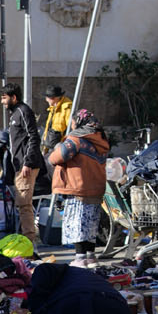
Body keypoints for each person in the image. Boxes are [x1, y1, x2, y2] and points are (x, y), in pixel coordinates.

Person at [48, 109, 110, 265]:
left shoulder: (76, 140)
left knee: (78, 224)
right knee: (90, 225)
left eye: (73, 121)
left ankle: (80, 259)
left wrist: (55, 145)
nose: (72, 124)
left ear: (79, 121)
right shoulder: (101, 140)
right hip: (95, 190)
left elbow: (56, 158)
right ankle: (91, 257)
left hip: (77, 189)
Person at [1, 82, 44, 242]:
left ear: (14, 97)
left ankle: (29, 243)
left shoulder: (23, 111)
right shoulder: (15, 114)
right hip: (19, 166)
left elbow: (34, 137)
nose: (2, 102)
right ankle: (25, 240)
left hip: (26, 167)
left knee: (24, 204)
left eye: (4, 98)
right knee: (21, 204)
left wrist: (27, 162)